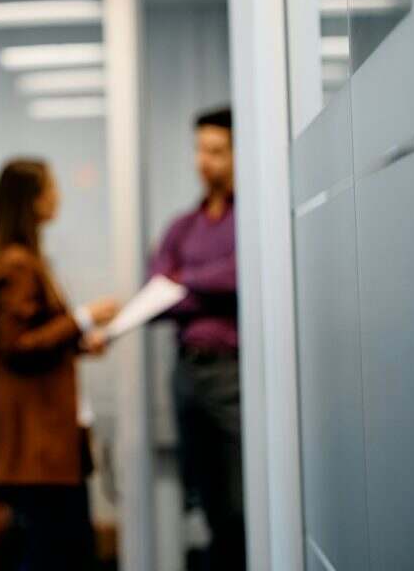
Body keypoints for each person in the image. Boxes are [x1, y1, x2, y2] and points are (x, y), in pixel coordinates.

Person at [0, 158, 118, 571]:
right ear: (30, 201)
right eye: (50, 188)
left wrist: (78, 342)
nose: (58, 196)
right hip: (39, 441)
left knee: (64, 547)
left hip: (55, 437)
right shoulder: (16, 264)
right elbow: (16, 346)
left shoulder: (30, 260)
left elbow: (40, 338)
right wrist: (82, 319)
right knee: (53, 551)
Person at [151, 106, 243, 570]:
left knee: (240, 503)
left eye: (216, 151)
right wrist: (204, 287)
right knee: (206, 497)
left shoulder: (249, 221)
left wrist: (185, 281)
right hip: (187, 371)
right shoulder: (182, 228)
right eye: (199, 150)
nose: (203, 161)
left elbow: (241, 276)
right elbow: (156, 294)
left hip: (233, 373)